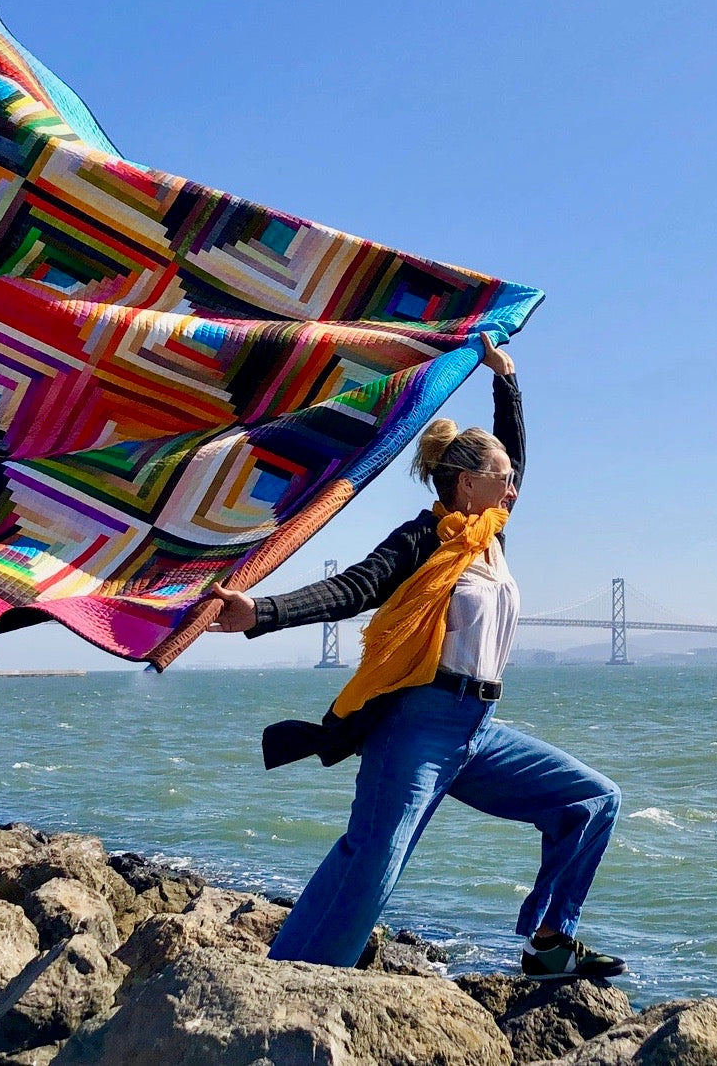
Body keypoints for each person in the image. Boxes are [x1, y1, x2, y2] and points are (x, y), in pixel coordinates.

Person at [207, 332, 625, 980]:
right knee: (372, 863)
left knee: (593, 801)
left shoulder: (488, 537)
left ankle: (549, 944)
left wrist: (505, 374)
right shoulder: (424, 539)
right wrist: (260, 612)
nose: (514, 487)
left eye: (513, 479)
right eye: (502, 478)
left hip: (478, 729)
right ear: (466, 482)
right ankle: (285, 981)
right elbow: (354, 587)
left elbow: (514, 451)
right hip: (415, 726)